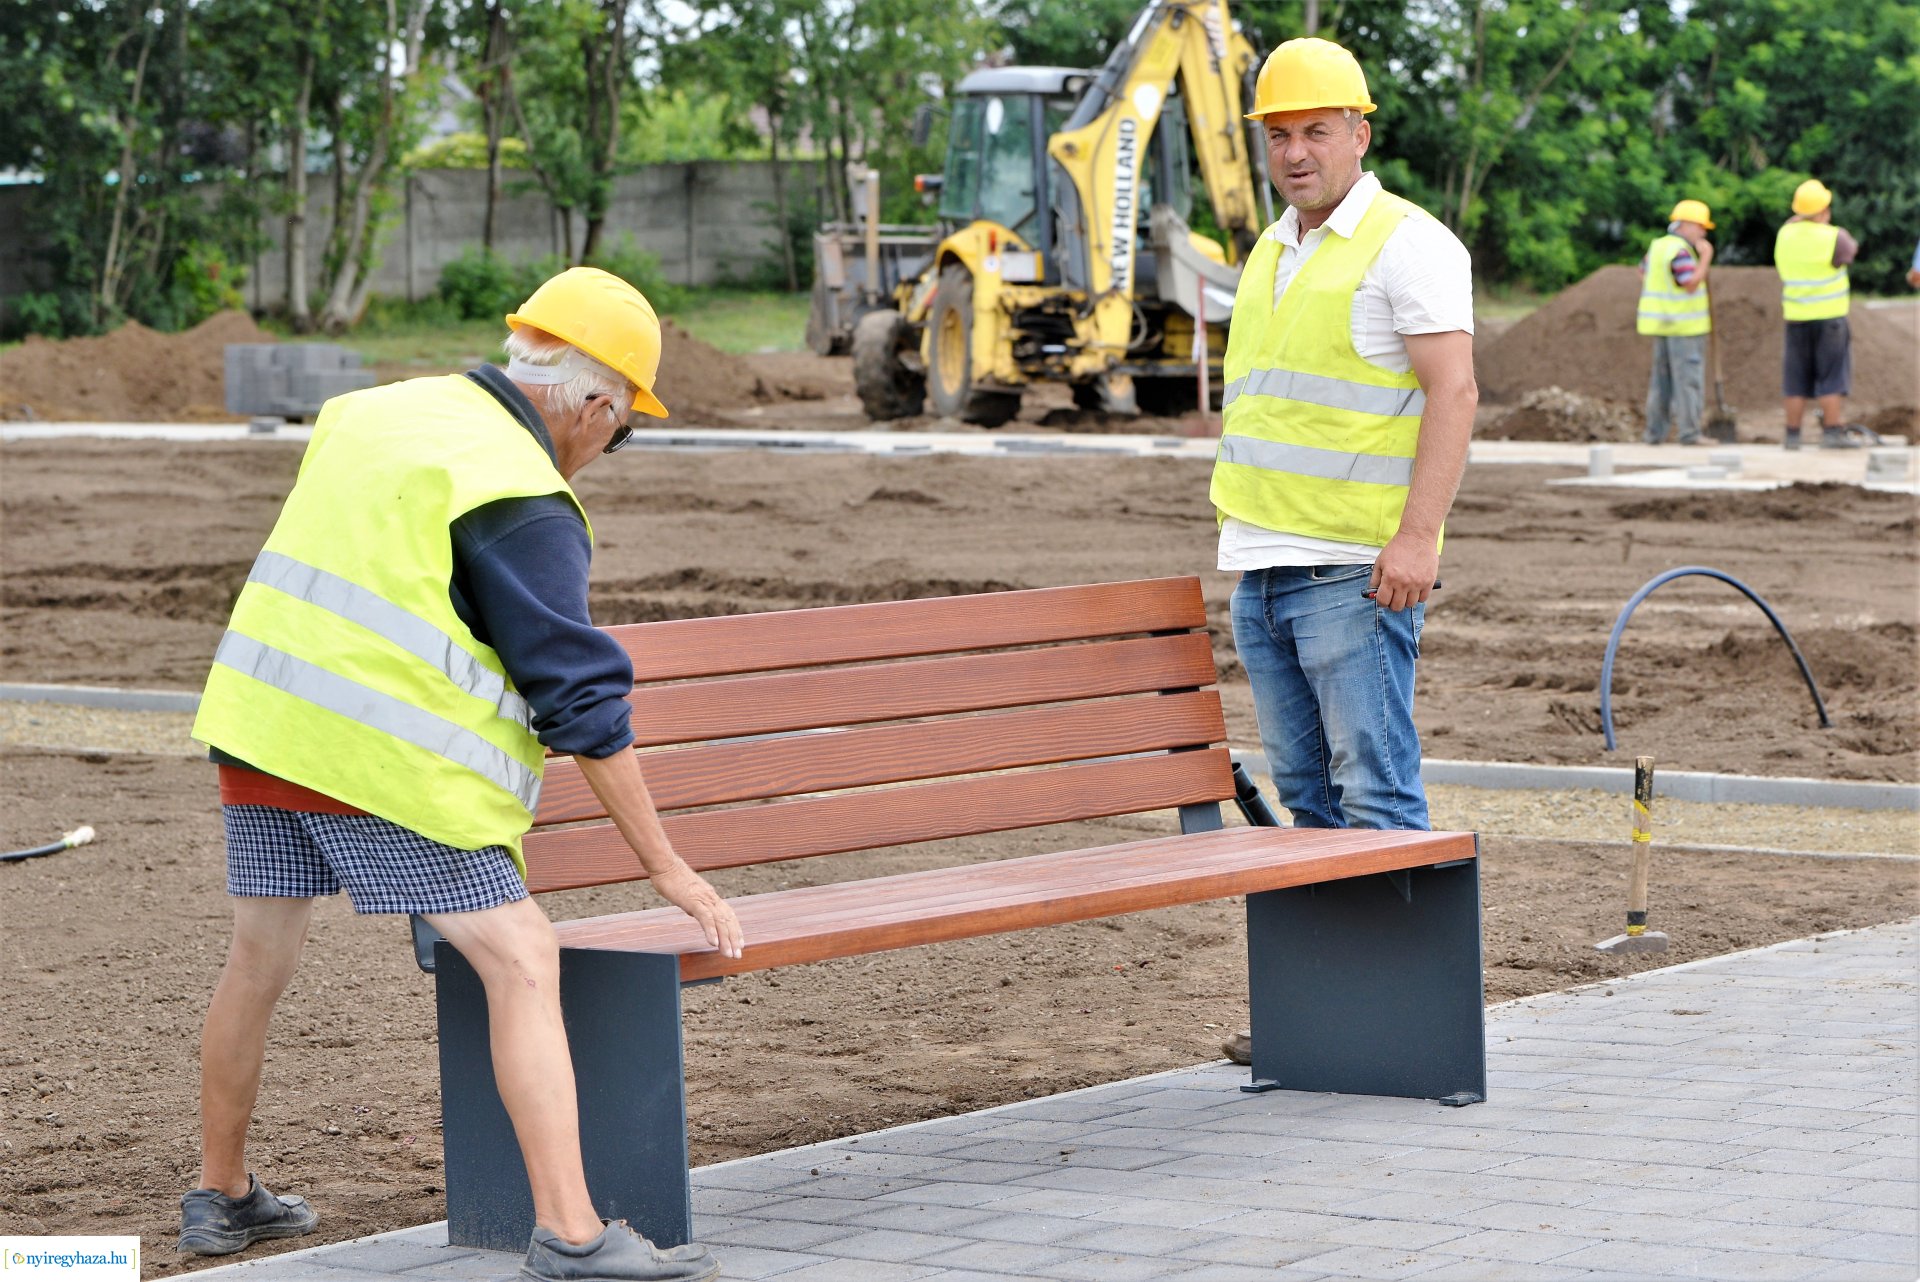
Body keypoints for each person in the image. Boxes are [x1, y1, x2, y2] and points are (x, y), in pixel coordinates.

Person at [179, 267, 741, 1282]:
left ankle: (221, 1198)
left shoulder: (375, 410)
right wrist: (668, 866)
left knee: (257, 961)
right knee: (524, 956)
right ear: (596, 404)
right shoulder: (522, 495)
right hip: (374, 758)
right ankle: (573, 1233)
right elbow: (583, 707)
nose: (610, 450)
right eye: (623, 432)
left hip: (263, 727)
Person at [1209, 38, 1476, 1065]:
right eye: (1279, 135)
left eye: (1317, 130)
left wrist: (1415, 540)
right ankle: (1326, 1019)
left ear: (1360, 133)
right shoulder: (1273, 249)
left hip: (1352, 576)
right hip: (1264, 573)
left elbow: (1454, 394)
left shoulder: (1408, 244)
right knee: (1310, 808)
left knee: (1374, 798)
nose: (1296, 151)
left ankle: (1403, 1026)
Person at [1773, 179, 1860, 450]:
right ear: (1824, 210)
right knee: (1832, 376)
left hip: (1796, 317)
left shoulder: (1784, 235)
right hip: (1829, 318)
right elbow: (1849, 254)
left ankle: (1792, 435)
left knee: (1795, 378)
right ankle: (1832, 433)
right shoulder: (1835, 236)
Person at [1635, 199, 1716, 445]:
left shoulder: (1659, 247)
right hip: (1684, 327)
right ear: (1687, 225)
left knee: (1660, 382)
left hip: (1661, 323)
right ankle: (1690, 434)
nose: (1703, 233)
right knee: (1687, 380)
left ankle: (1654, 434)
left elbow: (1642, 272)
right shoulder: (1681, 252)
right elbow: (1690, 283)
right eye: (1701, 227)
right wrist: (1706, 258)